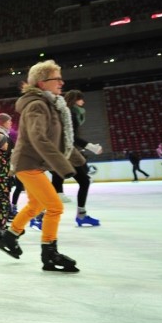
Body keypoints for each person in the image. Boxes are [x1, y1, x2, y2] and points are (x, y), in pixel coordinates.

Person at [0, 60, 80, 273]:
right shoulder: (37, 105)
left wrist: (78, 161)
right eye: (56, 78)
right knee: (55, 207)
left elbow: (59, 140)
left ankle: (9, 237)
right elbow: (38, 138)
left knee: (37, 206)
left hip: (32, 164)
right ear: (42, 83)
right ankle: (49, 253)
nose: (61, 82)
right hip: (28, 164)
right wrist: (64, 166)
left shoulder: (49, 104)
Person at [49, 89, 102, 227]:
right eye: (81, 99)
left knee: (83, 181)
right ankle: (80, 215)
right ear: (75, 100)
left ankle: (81, 215)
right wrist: (91, 146)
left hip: (66, 151)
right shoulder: (71, 114)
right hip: (65, 152)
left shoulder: (70, 113)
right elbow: (70, 138)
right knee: (84, 181)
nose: (83, 102)